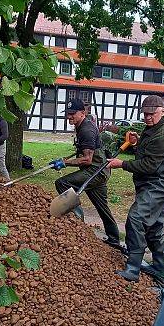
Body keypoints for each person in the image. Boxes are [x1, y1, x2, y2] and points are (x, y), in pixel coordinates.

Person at [106, 95, 164, 281]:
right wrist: (138, 142)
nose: (147, 117)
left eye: (151, 114)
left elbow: (149, 165)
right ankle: (159, 265)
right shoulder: (155, 128)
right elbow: (149, 152)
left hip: (159, 183)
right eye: (145, 114)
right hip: (152, 182)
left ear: (162, 111)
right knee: (154, 226)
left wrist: (121, 164)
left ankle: (133, 268)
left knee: (136, 218)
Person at [50, 99, 123, 253]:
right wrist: (66, 159)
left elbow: (87, 159)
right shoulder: (82, 126)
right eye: (68, 114)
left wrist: (65, 163)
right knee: (102, 206)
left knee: (61, 183)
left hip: (95, 171)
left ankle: (78, 221)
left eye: (73, 114)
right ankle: (114, 238)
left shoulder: (86, 130)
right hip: (99, 170)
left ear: (83, 113)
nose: (70, 117)